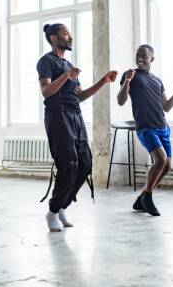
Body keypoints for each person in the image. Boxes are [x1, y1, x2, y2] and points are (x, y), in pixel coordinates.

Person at [37, 23, 117, 232]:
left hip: (75, 115)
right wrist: (66, 77)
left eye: (70, 34)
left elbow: (80, 95)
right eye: (65, 34)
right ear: (54, 38)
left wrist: (103, 81)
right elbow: (46, 91)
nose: (70, 38)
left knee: (85, 163)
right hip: (57, 115)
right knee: (68, 164)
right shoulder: (46, 62)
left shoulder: (68, 64)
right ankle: (53, 211)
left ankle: (63, 204)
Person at [117, 44, 173, 216]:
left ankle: (141, 198)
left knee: (166, 167)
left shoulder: (157, 80)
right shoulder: (131, 76)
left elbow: (167, 107)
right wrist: (127, 80)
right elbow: (121, 101)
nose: (140, 58)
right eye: (138, 55)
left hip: (163, 128)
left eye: (144, 56)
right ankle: (148, 197)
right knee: (160, 160)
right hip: (146, 128)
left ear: (152, 59)